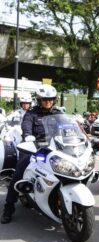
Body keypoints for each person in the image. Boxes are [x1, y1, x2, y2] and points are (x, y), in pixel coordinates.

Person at [1, 84, 63, 224]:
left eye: (51, 99)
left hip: (55, 148)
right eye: (44, 99)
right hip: (34, 148)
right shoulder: (31, 114)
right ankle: (8, 208)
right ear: (39, 100)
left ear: (55, 99)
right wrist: (28, 135)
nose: (48, 101)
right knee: (19, 173)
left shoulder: (58, 114)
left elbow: (68, 126)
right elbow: (26, 126)